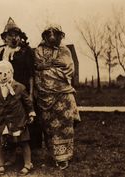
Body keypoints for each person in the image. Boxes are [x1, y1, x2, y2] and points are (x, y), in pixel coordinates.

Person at [0, 17, 42, 158]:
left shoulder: (27, 52)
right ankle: (9, 153)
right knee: (6, 121)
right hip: (5, 93)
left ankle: (29, 154)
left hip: (22, 92)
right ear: (4, 38)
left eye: (16, 35)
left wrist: (31, 94)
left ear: (20, 37)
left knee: (25, 122)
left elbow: (31, 74)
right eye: (9, 35)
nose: (13, 38)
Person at [33, 25, 81, 169]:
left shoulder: (65, 50)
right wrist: (51, 67)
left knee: (66, 124)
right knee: (49, 127)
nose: (52, 37)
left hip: (63, 94)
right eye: (49, 34)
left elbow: (69, 69)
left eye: (56, 34)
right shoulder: (39, 50)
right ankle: (54, 155)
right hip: (45, 95)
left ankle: (65, 156)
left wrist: (48, 68)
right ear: (45, 36)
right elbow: (37, 68)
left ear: (61, 35)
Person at [0, 60, 36, 175]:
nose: (3, 76)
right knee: (3, 142)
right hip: (3, 120)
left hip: (18, 120)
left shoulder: (19, 87)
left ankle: (27, 164)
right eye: (0, 73)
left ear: (11, 73)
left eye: (6, 73)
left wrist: (31, 113)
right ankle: (1, 164)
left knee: (23, 142)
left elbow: (27, 102)